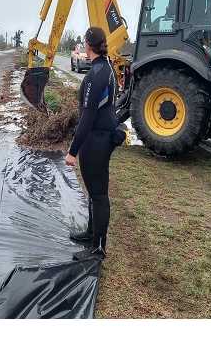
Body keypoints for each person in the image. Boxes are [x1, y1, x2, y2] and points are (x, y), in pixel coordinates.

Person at [65, 26, 126, 261]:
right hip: (102, 135)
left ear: (88, 45)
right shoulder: (106, 67)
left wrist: (73, 151)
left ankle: (98, 247)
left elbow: (87, 117)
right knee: (93, 191)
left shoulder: (96, 74)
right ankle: (91, 234)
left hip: (97, 138)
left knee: (98, 194)